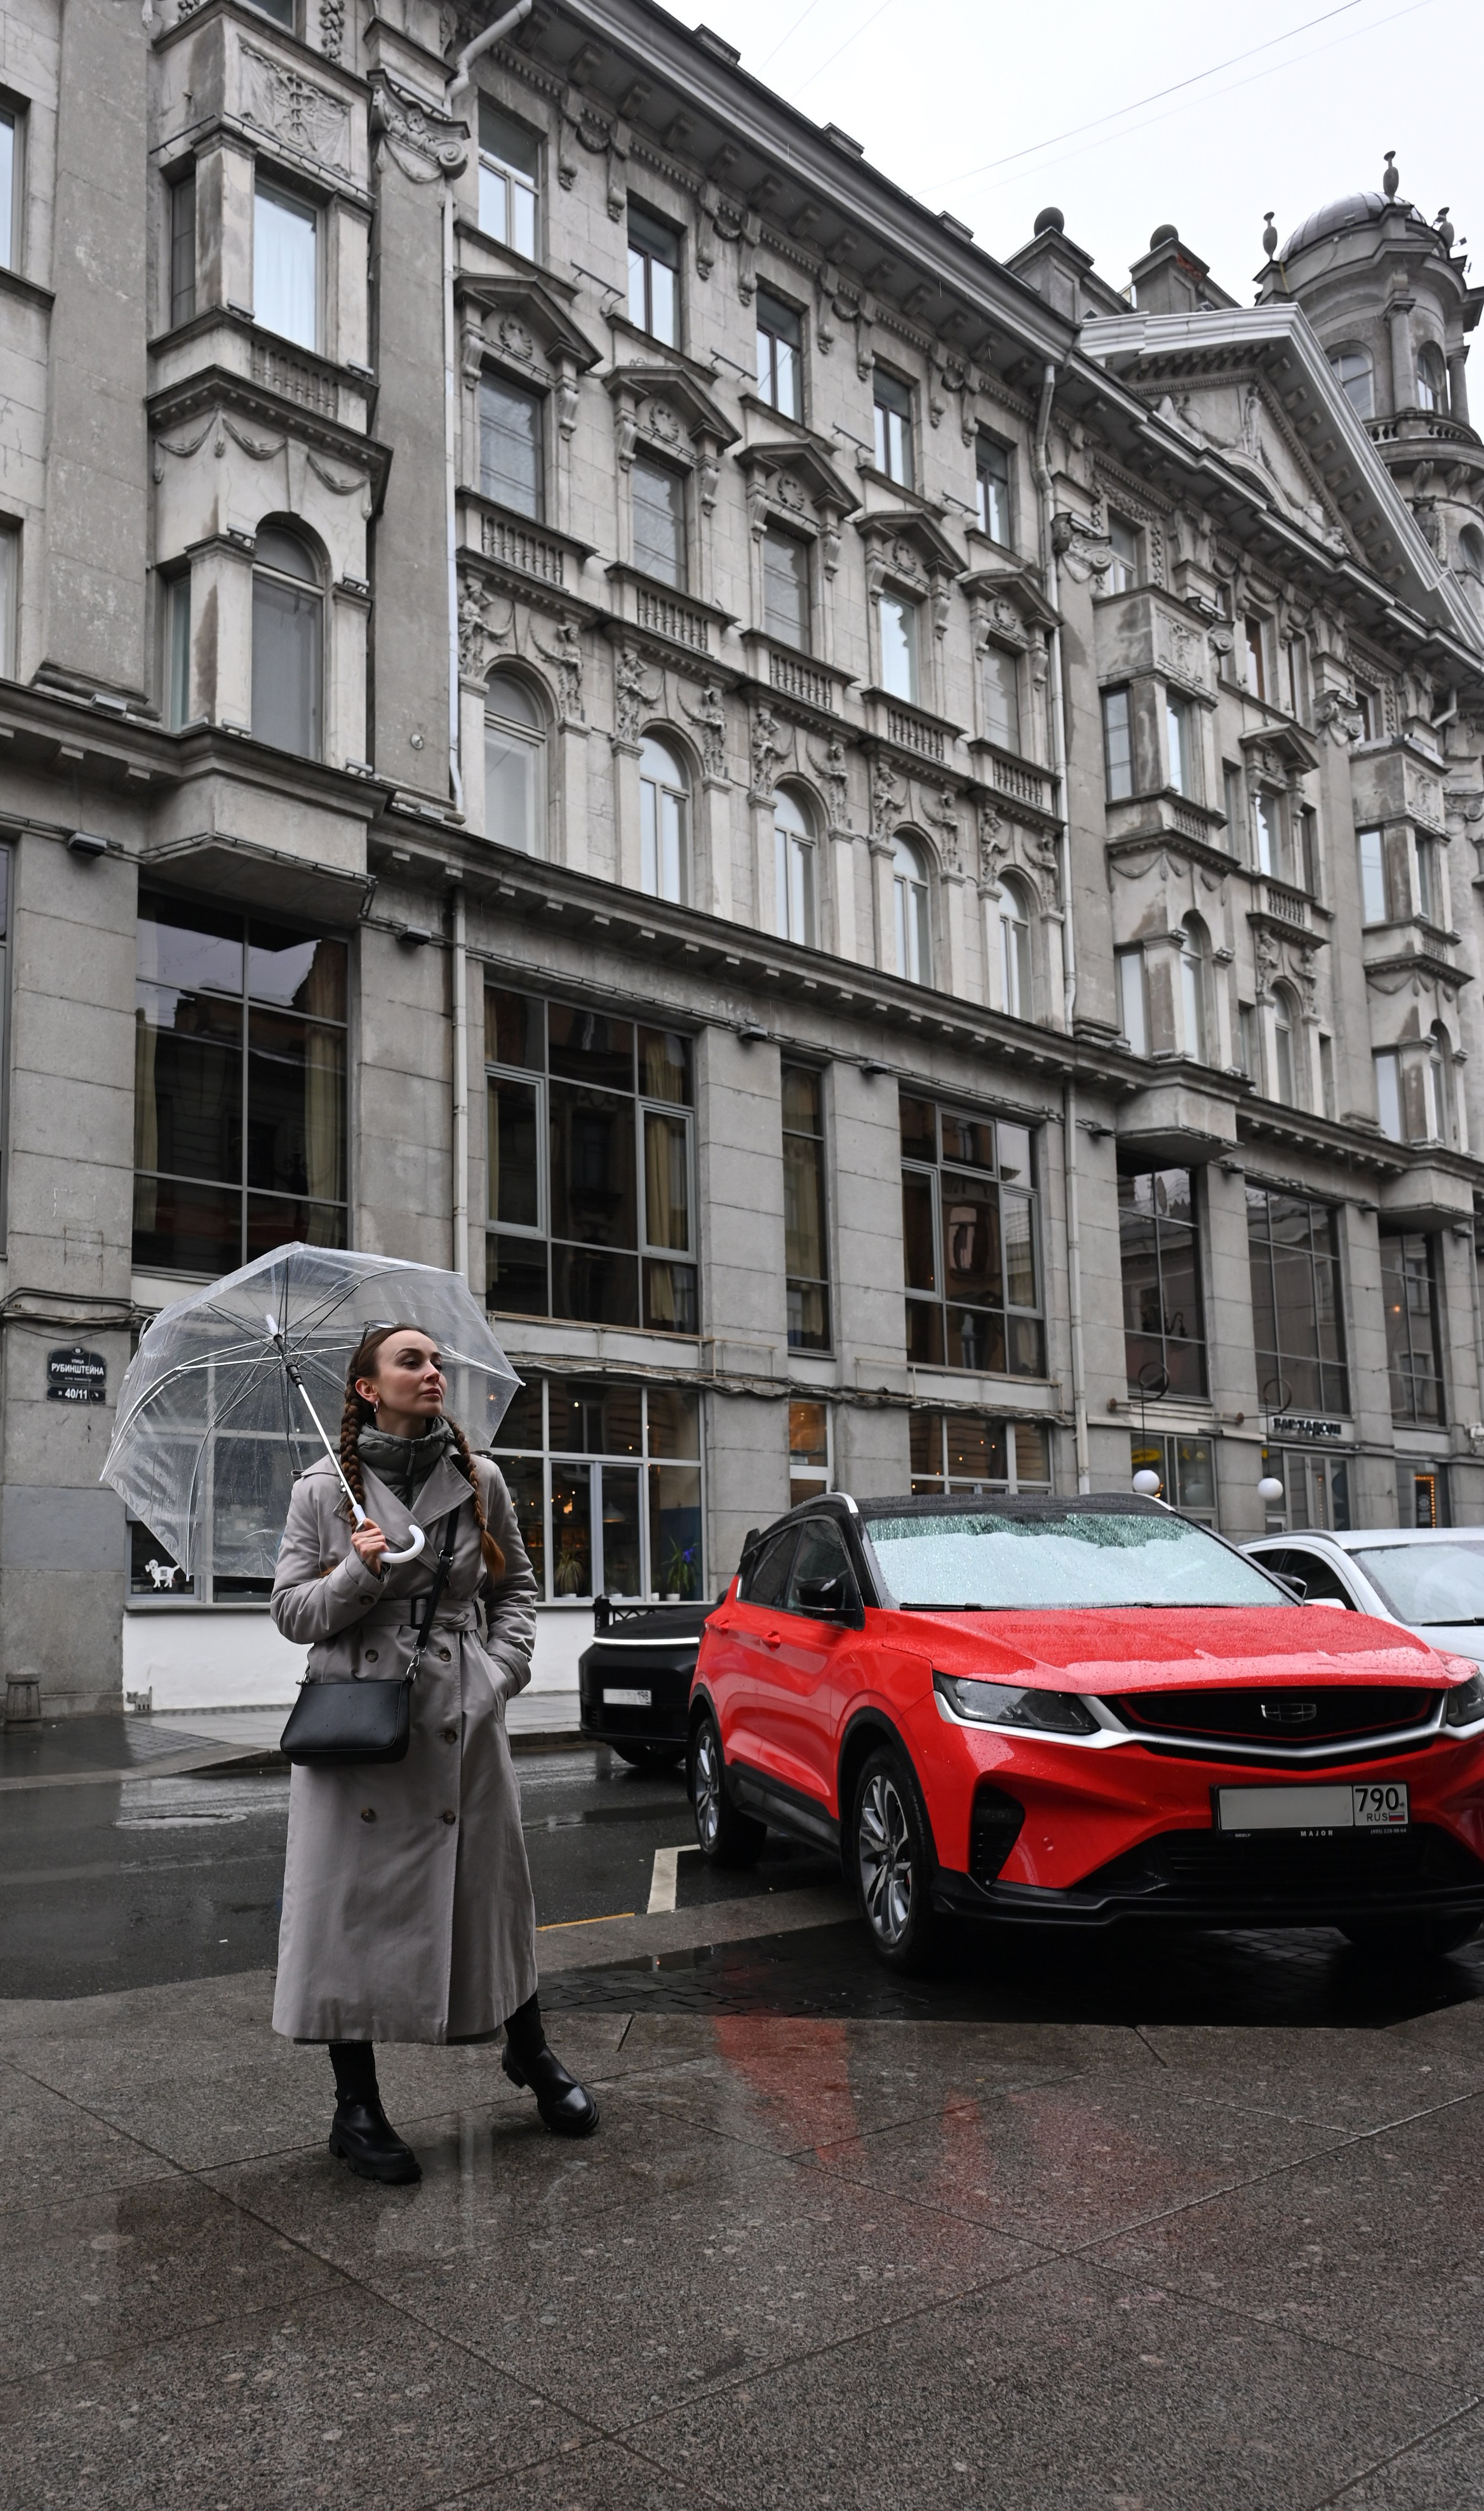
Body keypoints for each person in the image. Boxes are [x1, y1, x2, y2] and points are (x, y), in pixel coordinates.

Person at [271, 1321, 598, 2182]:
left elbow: (516, 1587)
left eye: (436, 1359)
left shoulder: (479, 1478)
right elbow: (291, 1612)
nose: (433, 1370)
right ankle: (357, 2105)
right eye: (410, 1360)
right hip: (360, 1725)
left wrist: (497, 1673)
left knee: (490, 1895)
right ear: (367, 1387)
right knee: (347, 1913)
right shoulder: (322, 1489)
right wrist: (356, 1573)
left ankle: (529, 2053)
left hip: (461, 1714)